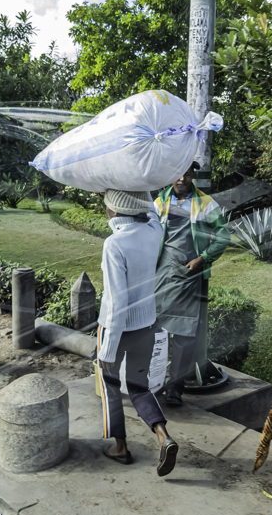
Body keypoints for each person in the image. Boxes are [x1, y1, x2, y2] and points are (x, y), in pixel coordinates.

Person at [97, 190, 179, 477]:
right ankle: (163, 436)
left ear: (114, 210)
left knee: (110, 386)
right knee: (140, 388)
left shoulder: (114, 244)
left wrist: (108, 348)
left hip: (116, 330)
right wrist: (140, 183)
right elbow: (153, 212)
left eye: (107, 202)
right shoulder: (153, 231)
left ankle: (120, 447)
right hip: (147, 326)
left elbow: (117, 301)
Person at [153, 162, 231, 406]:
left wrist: (202, 259)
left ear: (193, 176)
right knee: (153, 329)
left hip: (189, 274)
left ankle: (174, 389)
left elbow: (223, 236)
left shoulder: (206, 204)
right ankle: (152, 381)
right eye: (178, 174)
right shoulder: (159, 203)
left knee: (185, 333)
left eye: (187, 174)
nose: (181, 179)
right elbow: (149, 233)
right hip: (162, 273)